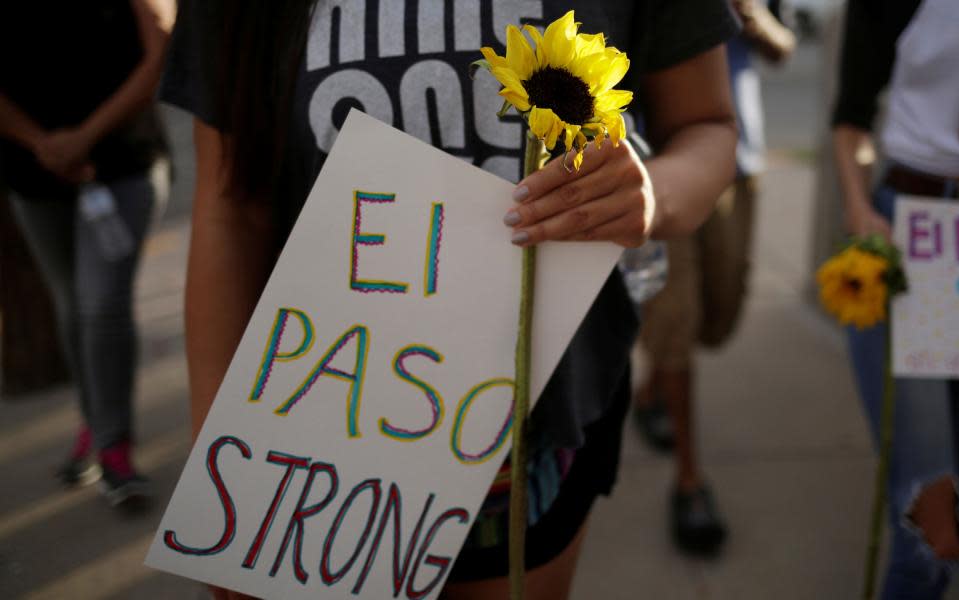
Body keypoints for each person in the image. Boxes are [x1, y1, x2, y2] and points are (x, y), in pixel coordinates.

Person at [160, 1, 739, 598]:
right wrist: (223, 480)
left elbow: (709, 125)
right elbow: (231, 204)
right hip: (317, 448)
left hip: (540, 436)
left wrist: (652, 193)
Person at [832, 0, 959, 597]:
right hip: (912, 237)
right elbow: (850, 118)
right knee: (929, 523)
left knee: (956, 499)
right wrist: (858, 209)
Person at [632, 0, 795, 556]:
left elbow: (784, 48)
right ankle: (690, 480)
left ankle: (651, 385)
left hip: (738, 163)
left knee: (719, 317)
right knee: (676, 318)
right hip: (657, 171)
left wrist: (749, 14)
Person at [0, 0, 174, 506]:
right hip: (33, 171)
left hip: (124, 162)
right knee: (71, 304)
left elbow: (161, 51)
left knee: (102, 305)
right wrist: (42, 143)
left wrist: (84, 138)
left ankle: (113, 447)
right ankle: (95, 422)